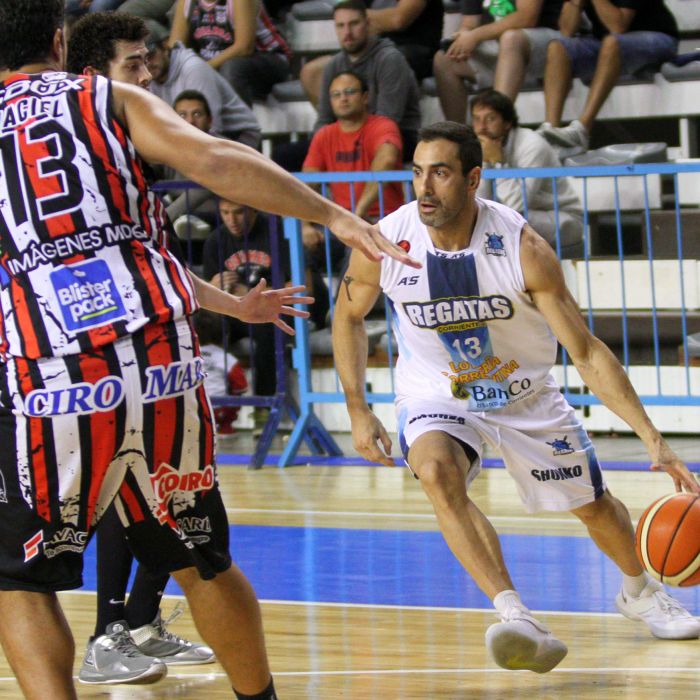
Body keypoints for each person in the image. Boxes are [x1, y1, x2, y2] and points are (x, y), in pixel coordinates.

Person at [0, 3, 418, 699]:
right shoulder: (106, 97)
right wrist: (333, 214)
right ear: (58, 42)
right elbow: (218, 159)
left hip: (53, 372)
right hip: (162, 362)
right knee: (202, 560)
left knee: (20, 581)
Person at [332, 120, 700, 675]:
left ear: (473, 178)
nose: (424, 187)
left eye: (440, 173)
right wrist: (358, 410)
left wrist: (652, 437)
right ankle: (516, 615)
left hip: (524, 393)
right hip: (437, 392)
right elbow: (347, 316)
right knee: (436, 472)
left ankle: (639, 591)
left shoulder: (522, 247)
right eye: (417, 172)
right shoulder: (386, 242)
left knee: (593, 506)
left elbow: (585, 350)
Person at [302, 70, 405, 277]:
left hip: (384, 221)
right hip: (340, 223)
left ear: (365, 97)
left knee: (357, 246)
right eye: (336, 94)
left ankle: (342, 302)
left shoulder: (383, 126)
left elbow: (386, 159)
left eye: (349, 92)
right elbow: (306, 183)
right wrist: (304, 226)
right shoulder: (325, 135)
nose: (343, 98)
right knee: (297, 248)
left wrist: (357, 214)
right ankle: (311, 300)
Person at [537, 0, 678, 150]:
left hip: (657, 38)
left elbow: (618, 26)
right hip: (606, 42)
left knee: (612, 42)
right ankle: (550, 130)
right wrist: (576, 4)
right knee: (558, 48)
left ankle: (582, 129)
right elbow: (566, 31)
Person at [471, 89, 583, 257]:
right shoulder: (482, 147)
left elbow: (517, 203)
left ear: (507, 123)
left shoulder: (532, 145)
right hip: (523, 217)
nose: (482, 128)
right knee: (481, 219)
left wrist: (499, 163)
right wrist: (486, 161)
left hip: (563, 219)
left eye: (490, 119)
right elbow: (480, 201)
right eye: (476, 119)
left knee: (503, 220)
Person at [303, 0, 421, 158]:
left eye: (354, 24)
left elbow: (387, 121)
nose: (347, 32)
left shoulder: (390, 59)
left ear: (368, 24)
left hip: (395, 137)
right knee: (285, 155)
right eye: (341, 26)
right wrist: (319, 147)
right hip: (349, 137)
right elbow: (324, 119)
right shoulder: (333, 65)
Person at [432, 0, 564, 122]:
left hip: (546, 44)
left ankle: (498, 123)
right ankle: (457, 134)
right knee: (444, 59)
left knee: (511, 38)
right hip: (497, 45)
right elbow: (470, 22)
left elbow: (526, 17)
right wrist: (462, 37)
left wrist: (475, 36)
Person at [147, 23, 262, 149]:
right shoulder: (147, 77)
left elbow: (210, 129)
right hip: (193, 139)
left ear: (165, 46)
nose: (147, 64)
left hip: (237, 138)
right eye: (141, 60)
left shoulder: (193, 69)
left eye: (151, 56)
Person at [168, 0, 292, 106]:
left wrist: (201, 69)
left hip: (267, 58)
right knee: (171, 69)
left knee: (232, 68)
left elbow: (244, 47)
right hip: (215, 63)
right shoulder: (187, 2)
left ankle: (240, 125)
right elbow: (175, 48)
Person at [193, 309, 248, 435]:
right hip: (219, 409)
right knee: (236, 393)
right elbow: (241, 386)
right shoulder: (226, 358)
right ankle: (225, 427)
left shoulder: (188, 356)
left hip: (193, 406)